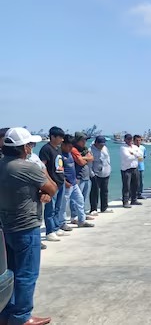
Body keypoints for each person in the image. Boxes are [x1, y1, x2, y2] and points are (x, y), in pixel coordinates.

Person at [0, 127, 57, 325]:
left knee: (11, 273)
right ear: (24, 147)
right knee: (27, 274)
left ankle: (7, 312)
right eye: (31, 144)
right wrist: (42, 169)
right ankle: (22, 316)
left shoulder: (2, 164)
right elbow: (52, 187)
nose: (32, 147)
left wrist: (43, 192)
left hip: (6, 227)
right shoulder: (26, 167)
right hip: (26, 226)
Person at [39, 126, 71, 242]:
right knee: (50, 208)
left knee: (58, 206)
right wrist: (50, 181)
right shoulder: (46, 149)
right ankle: (50, 231)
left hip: (60, 181)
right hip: (52, 183)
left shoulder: (58, 149)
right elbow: (42, 167)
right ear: (53, 137)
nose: (62, 140)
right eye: (60, 137)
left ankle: (56, 227)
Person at [60, 135, 95, 228]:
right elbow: (59, 170)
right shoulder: (60, 156)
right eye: (69, 146)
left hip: (74, 182)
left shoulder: (70, 153)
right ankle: (62, 223)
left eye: (72, 146)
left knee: (80, 200)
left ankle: (81, 220)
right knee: (64, 204)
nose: (70, 148)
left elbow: (74, 165)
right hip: (67, 183)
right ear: (63, 144)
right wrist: (64, 181)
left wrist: (74, 178)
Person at [71, 132, 94, 216]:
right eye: (82, 140)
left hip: (86, 176)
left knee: (83, 197)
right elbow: (80, 162)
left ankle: (82, 214)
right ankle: (74, 215)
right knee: (76, 198)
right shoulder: (73, 149)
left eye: (85, 140)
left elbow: (91, 158)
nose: (84, 142)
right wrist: (85, 159)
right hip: (78, 176)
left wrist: (83, 158)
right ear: (77, 140)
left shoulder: (85, 149)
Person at [88, 136, 112, 214]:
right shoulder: (90, 150)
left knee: (105, 191)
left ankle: (104, 208)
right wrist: (92, 174)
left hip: (106, 172)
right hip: (96, 173)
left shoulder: (105, 148)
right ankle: (93, 209)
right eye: (100, 144)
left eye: (103, 144)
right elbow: (89, 164)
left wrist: (109, 169)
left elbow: (108, 158)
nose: (102, 146)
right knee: (95, 191)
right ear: (96, 143)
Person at [119, 133, 142, 208]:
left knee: (136, 184)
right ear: (125, 140)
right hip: (126, 169)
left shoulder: (135, 147)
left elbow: (140, 155)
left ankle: (134, 199)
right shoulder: (123, 148)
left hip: (135, 168)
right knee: (126, 186)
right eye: (128, 139)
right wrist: (135, 155)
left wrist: (133, 154)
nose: (130, 140)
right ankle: (125, 201)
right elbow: (127, 157)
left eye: (130, 139)